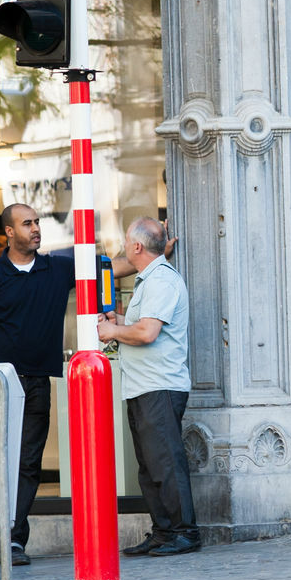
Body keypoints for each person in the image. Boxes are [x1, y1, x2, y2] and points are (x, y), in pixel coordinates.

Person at [0, 202, 76, 566]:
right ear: (9, 231)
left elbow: (107, 269)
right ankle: (2, 536)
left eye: (37, 222)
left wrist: (151, 256)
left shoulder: (56, 268)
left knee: (28, 463)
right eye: (27, 223)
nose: (36, 228)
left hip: (37, 383)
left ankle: (13, 538)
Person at [102, 217, 198, 556]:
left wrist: (114, 332)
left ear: (137, 247)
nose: (125, 247)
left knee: (166, 463)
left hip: (159, 385)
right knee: (150, 466)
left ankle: (184, 532)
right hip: (143, 385)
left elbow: (147, 333)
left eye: (127, 242)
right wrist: (120, 323)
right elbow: (140, 326)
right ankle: (164, 531)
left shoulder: (160, 281)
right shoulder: (150, 280)